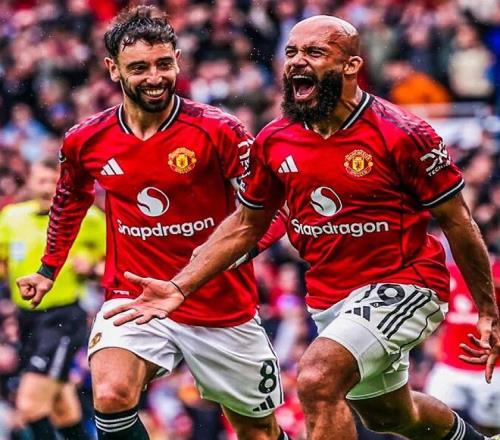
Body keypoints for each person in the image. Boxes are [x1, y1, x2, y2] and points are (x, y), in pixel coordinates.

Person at [104, 15, 500, 440]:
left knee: (316, 378)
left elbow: (458, 221)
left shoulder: (402, 133)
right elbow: (246, 223)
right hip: (332, 296)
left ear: (351, 65)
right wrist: (179, 287)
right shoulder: (275, 139)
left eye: (314, 52)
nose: (296, 61)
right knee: (390, 416)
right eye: (291, 52)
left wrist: (488, 310)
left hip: (405, 283)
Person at [16, 7, 288, 440]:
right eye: (139, 68)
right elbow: (70, 200)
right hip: (134, 296)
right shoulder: (87, 139)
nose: (155, 77)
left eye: (164, 64)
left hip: (220, 304)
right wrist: (49, 268)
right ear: (113, 69)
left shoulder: (219, 130)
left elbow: (275, 204)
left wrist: (239, 252)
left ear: (178, 60)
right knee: (110, 393)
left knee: (258, 432)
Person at [0, 159, 105, 440]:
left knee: (30, 406)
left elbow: (113, 264)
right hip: (26, 319)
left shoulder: (89, 218)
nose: (48, 188)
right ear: (29, 182)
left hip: (62, 318)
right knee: (63, 409)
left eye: (53, 181)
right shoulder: (11, 217)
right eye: (41, 180)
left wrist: (92, 268)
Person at [425, 261, 500, 437]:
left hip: (491, 369)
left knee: (490, 428)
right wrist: (431, 340)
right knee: (430, 420)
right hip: (449, 366)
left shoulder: (496, 270)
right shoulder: (446, 271)